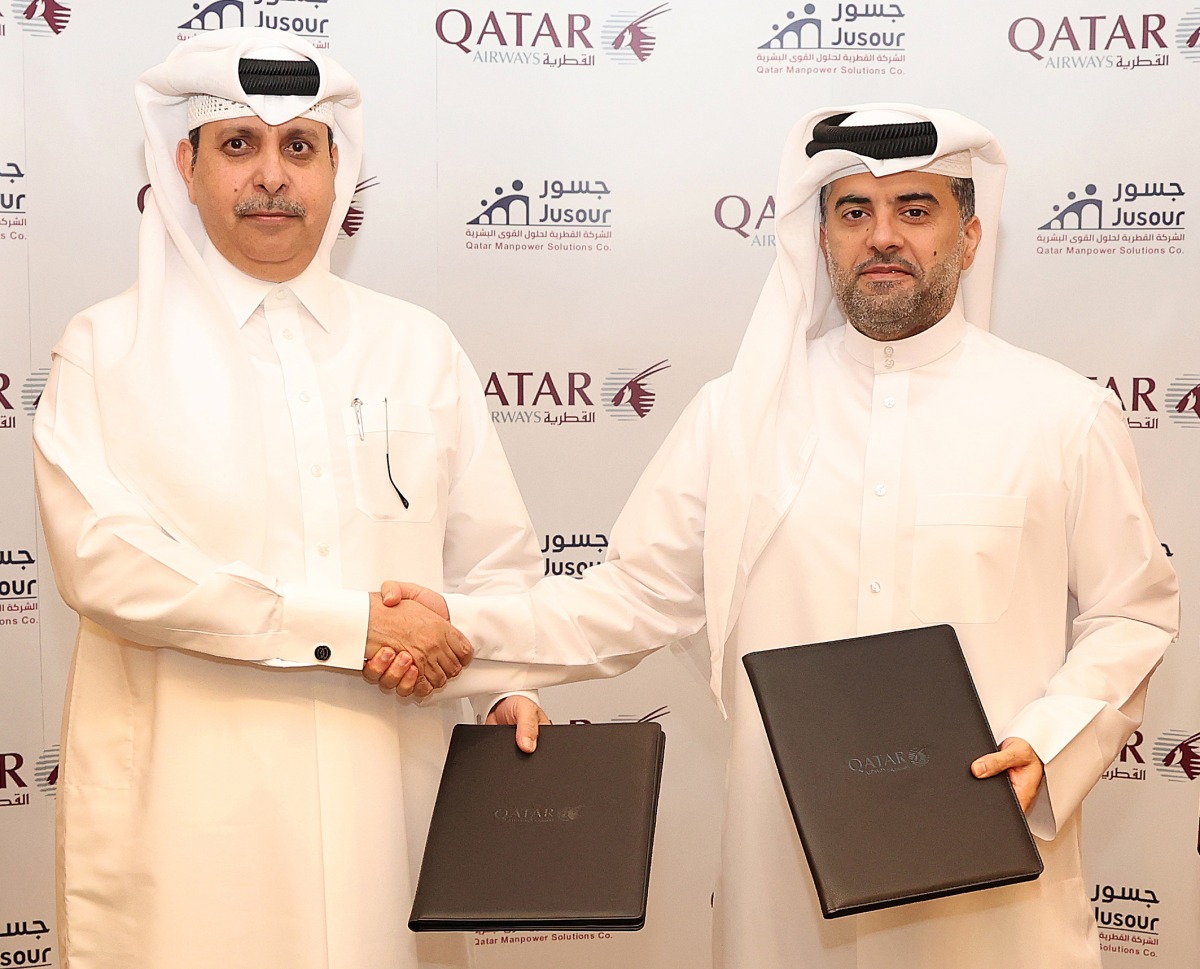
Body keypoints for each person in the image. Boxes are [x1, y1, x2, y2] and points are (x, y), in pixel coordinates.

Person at [378, 104, 1180, 968]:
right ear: (820, 235)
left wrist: (1050, 738)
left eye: (915, 209)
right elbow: (631, 596)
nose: (883, 236)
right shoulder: (736, 416)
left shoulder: (1060, 415)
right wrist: (465, 623)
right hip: (787, 887)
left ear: (971, 234)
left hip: (989, 872)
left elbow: (1130, 612)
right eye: (853, 211)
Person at [32, 28, 569, 969]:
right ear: (184, 166)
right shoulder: (105, 349)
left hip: (391, 819)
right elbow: (107, 566)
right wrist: (352, 626)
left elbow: (497, 560)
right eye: (238, 144)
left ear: (336, 170)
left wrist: (510, 682)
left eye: (299, 147)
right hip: (188, 838)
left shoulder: (417, 346)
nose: (272, 175)